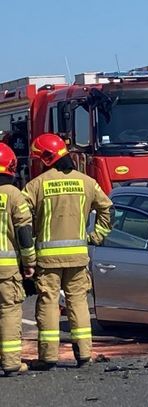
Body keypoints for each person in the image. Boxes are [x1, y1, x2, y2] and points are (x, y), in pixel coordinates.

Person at [23, 133, 112, 370]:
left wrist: (27, 251)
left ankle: (48, 357)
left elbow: (20, 217)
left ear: (47, 158)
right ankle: (84, 355)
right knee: (78, 304)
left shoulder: (36, 185)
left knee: (49, 305)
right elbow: (107, 209)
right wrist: (97, 236)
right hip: (78, 257)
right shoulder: (87, 182)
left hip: (47, 259)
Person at [0, 144, 36, 377]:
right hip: (6, 269)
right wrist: (30, 261)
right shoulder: (13, 194)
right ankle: (11, 361)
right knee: (9, 311)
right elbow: (24, 231)